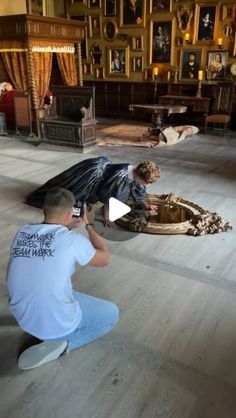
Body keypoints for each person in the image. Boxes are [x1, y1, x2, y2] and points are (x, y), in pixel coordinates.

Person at [7, 187, 119, 370]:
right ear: (69, 214)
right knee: (112, 313)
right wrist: (88, 226)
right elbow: (105, 258)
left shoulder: (23, 232)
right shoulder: (72, 240)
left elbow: (50, 237)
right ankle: (63, 344)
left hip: (22, 316)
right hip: (56, 324)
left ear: (44, 209)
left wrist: (66, 226)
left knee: (54, 283)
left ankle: (54, 333)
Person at [26, 156, 161, 227]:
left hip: (100, 172)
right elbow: (109, 199)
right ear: (139, 176)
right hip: (91, 179)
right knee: (73, 202)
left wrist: (144, 204)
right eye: (147, 183)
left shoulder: (133, 171)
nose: (146, 186)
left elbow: (137, 190)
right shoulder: (120, 179)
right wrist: (108, 218)